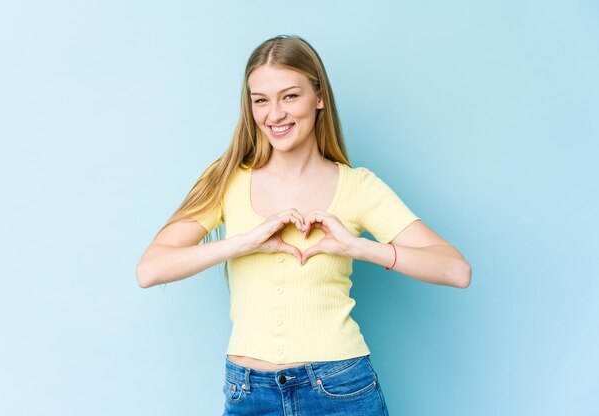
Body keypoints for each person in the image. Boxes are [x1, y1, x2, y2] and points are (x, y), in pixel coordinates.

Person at [135, 35, 471, 416]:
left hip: (340, 387)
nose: (274, 114)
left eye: (289, 96)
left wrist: (356, 247)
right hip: (249, 392)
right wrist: (244, 243)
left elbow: (456, 270)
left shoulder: (358, 186)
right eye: (260, 100)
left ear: (319, 97)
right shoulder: (226, 178)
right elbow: (150, 269)